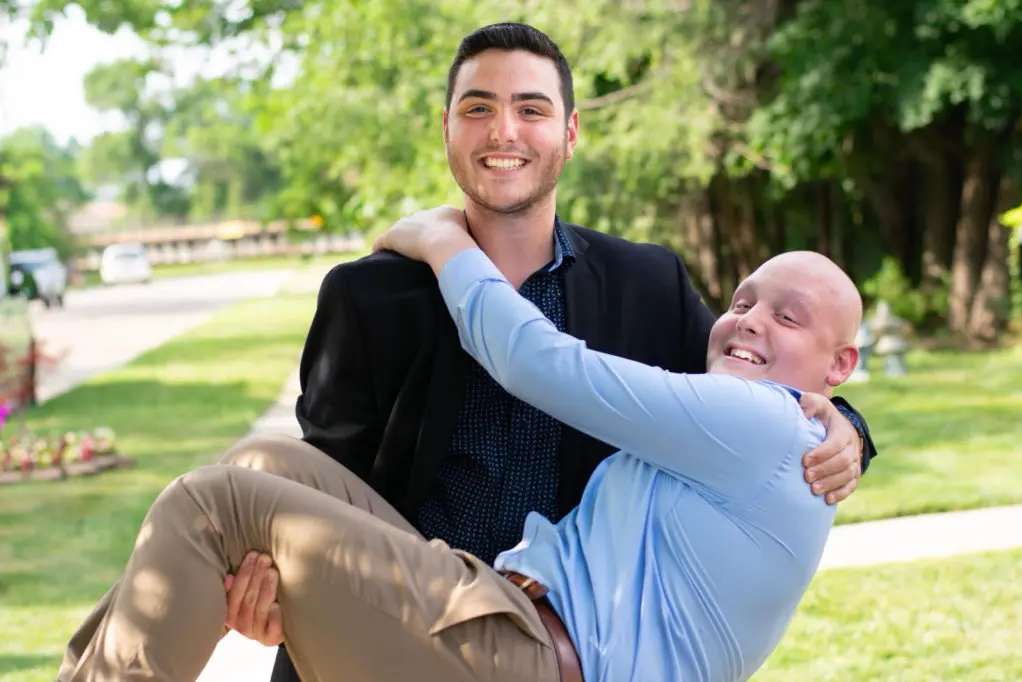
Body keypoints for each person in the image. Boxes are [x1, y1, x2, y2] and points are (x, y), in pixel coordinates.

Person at [229, 21, 878, 672]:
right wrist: (269, 577)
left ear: (570, 134)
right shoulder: (366, 296)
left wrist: (842, 425)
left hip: (561, 649)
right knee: (258, 472)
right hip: (397, 626)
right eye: (477, 108)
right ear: (447, 130)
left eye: (531, 109)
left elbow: (746, 391)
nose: (503, 131)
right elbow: (330, 478)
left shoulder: (646, 283)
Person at [56, 208, 863, 682]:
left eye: (785, 315)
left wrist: (443, 240)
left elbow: (538, 363)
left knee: (213, 503)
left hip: (536, 660)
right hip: (487, 609)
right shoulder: (759, 415)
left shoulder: (737, 396)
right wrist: (288, 592)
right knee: (259, 468)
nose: (749, 319)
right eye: (742, 299)